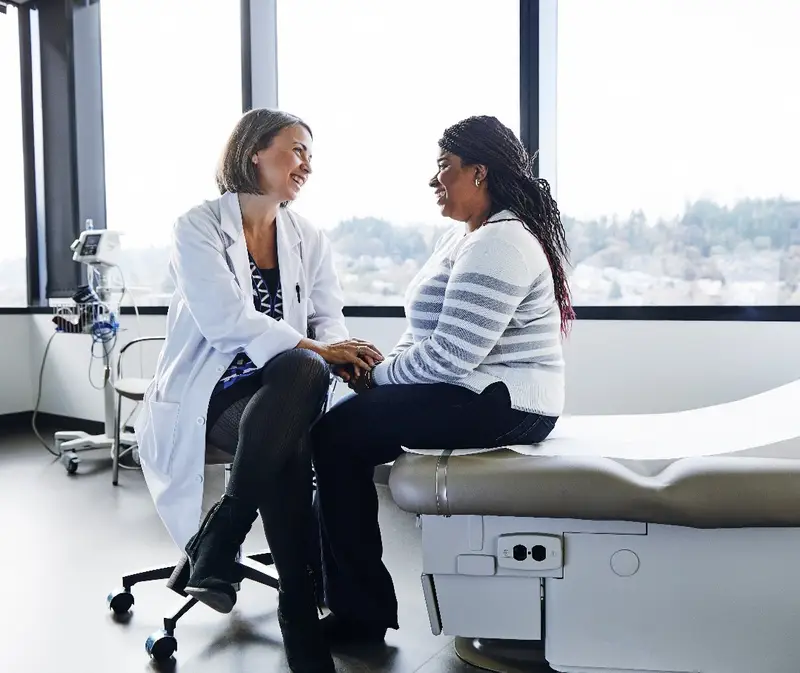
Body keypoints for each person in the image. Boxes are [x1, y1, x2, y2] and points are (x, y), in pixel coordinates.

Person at [134, 108, 382, 673]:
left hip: (284, 388)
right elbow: (225, 320)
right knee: (292, 409)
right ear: (254, 153)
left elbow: (328, 316)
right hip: (213, 390)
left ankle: (225, 533)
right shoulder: (198, 226)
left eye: (311, 155)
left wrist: (340, 350)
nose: (307, 165)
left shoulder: (308, 236)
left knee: (298, 379)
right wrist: (321, 351)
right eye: (297, 150)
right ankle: (298, 606)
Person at [310, 115, 574, 643]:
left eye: (443, 167)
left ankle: (358, 614)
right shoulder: (462, 239)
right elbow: (423, 337)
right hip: (474, 391)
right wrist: (376, 370)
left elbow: (451, 356)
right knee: (338, 430)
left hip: (505, 401)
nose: (434, 180)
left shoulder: (502, 243)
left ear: (479, 172)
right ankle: (345, 598)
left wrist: (376, 378)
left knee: (335, 436)